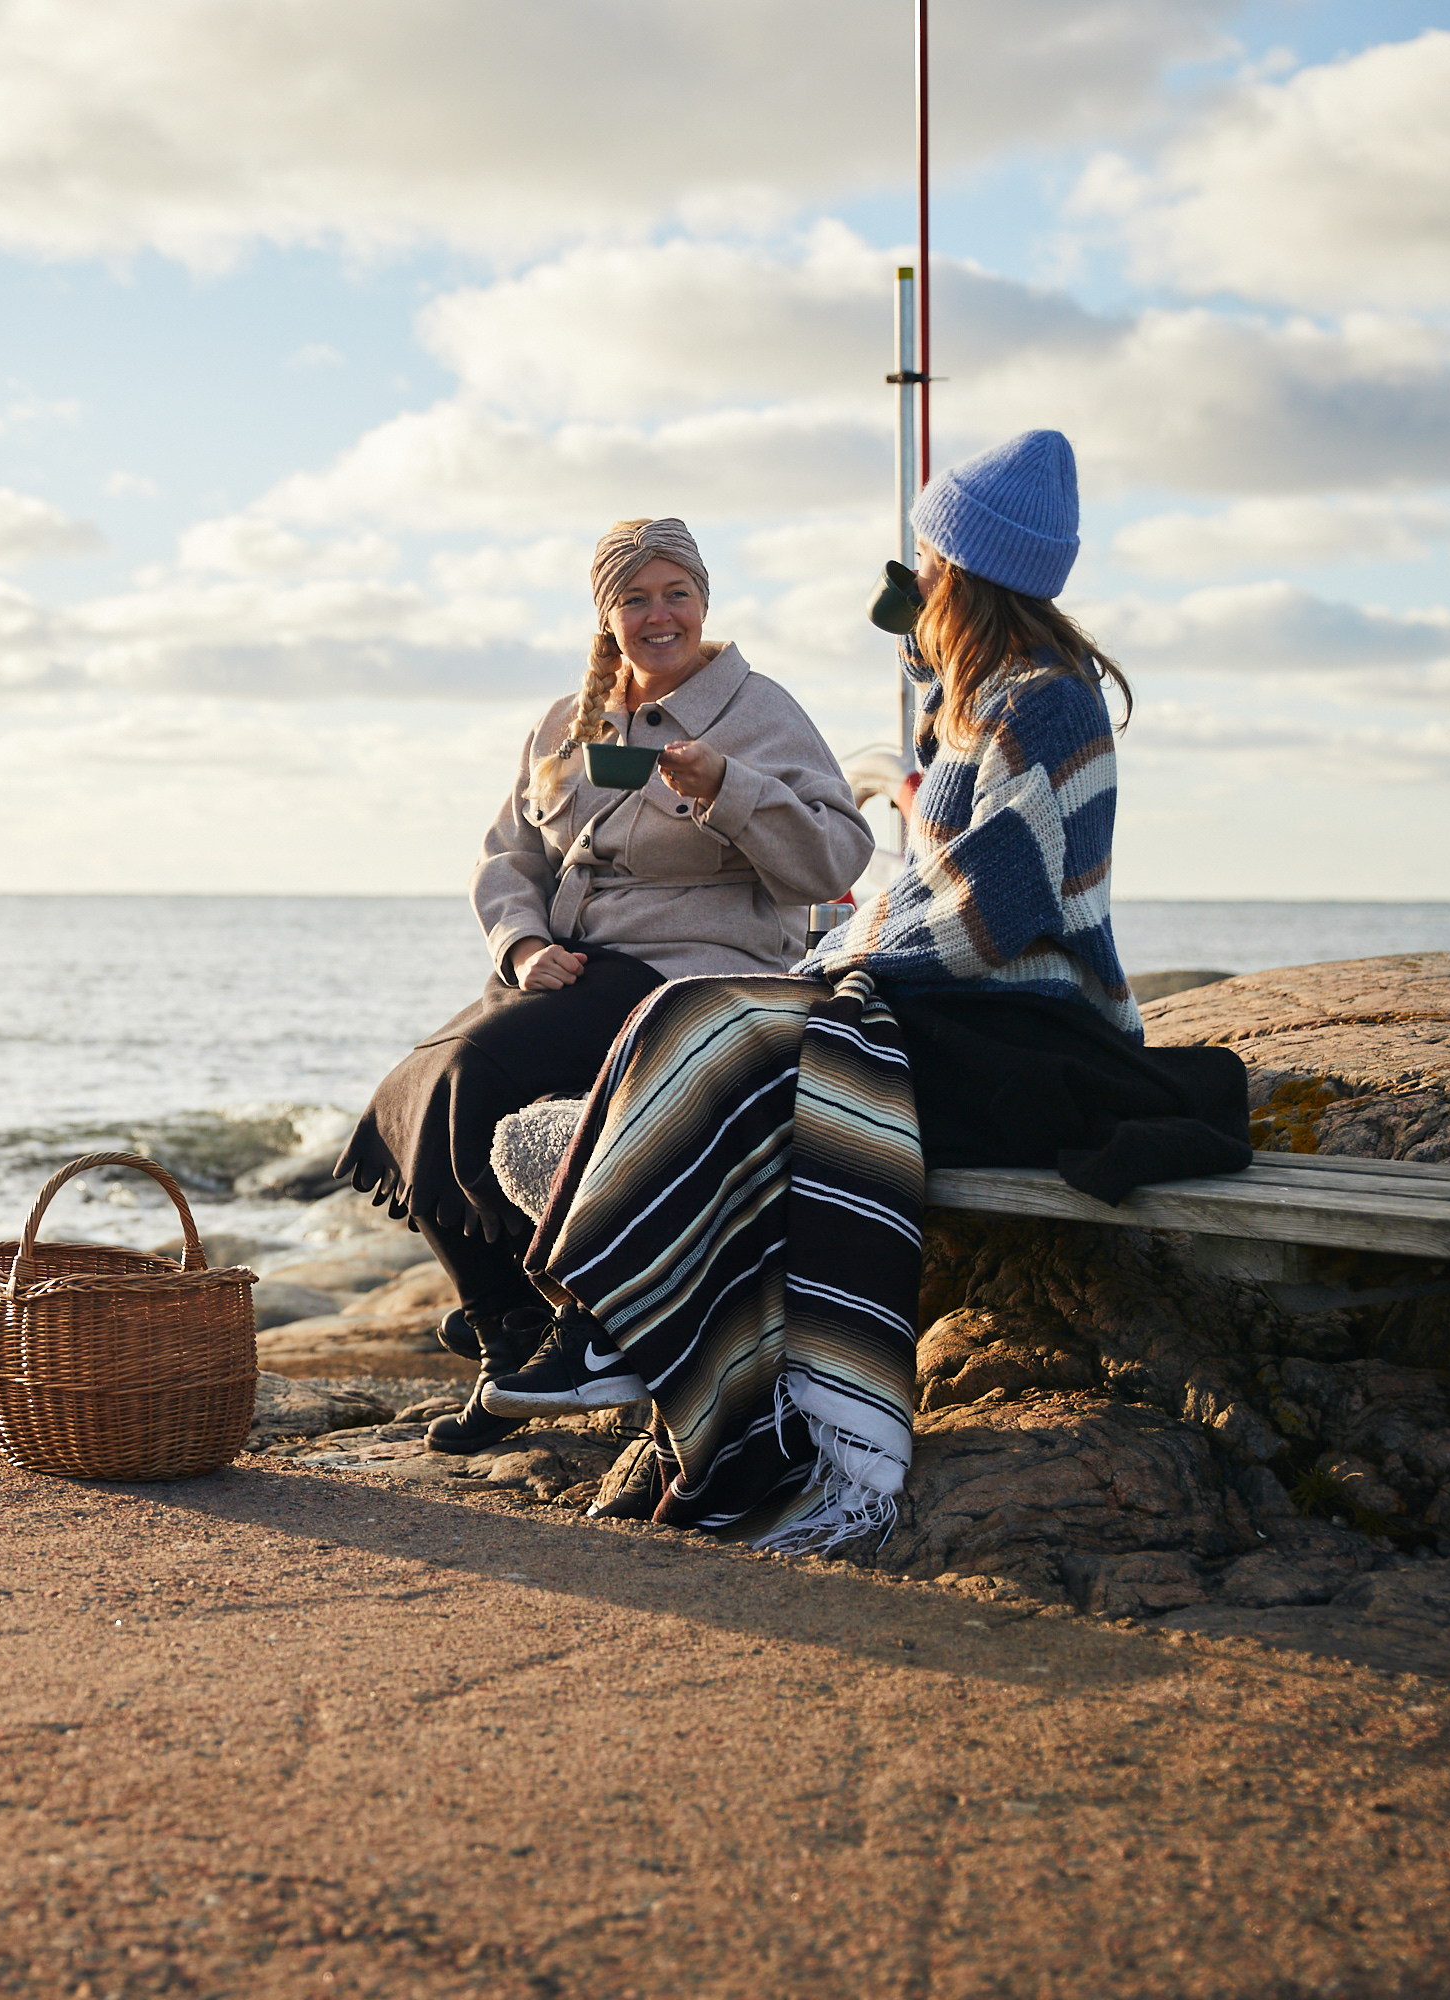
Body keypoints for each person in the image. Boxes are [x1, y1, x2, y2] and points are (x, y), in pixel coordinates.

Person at [480, 430, 1250, 1549]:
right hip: (959, 1017)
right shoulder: (977, 698)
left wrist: (838, 963)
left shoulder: (1043, 703)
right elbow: (933, 893)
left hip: (1036, 1036)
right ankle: (621, 1316)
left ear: (968, 577)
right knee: (702, 1017)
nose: (913, 583)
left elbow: (995, 916)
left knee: (724, 1018)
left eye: (928, 562)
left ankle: (626, 1323)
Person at [335, 516, 872, 1456]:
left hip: (692, 975)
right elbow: (506, 857)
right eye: (634, 597)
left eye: (676, 593)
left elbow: (834, 858)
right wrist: (522, 946)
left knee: (469, 1067)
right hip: (572, 972)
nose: (658, 614)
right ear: (605, 613)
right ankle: (512, 1336)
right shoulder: (563, 721)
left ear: (704, 600)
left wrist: (729, 788)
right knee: (405, 1096)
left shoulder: (761, 711)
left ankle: (552, 1331)